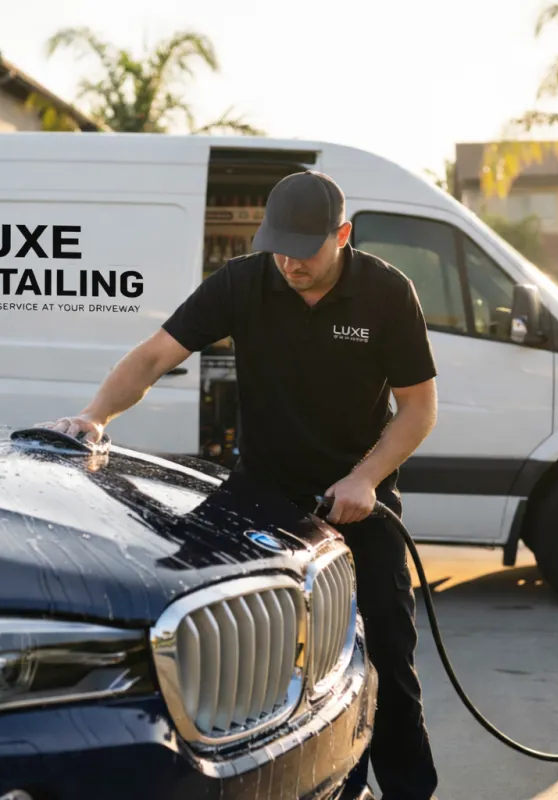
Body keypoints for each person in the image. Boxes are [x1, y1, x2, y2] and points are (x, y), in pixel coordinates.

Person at [43, 170, 440, 799]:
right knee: (247, 662)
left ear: (343, 235)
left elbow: (418, 409)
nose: (289, 262)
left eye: (305, 249)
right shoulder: (243, 283)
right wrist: (95, 416)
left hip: (359, 504)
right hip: (261, 499)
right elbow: (153, 357)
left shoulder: (386, 295)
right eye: (278, 245)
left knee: (386, 661)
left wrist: (365, 477)